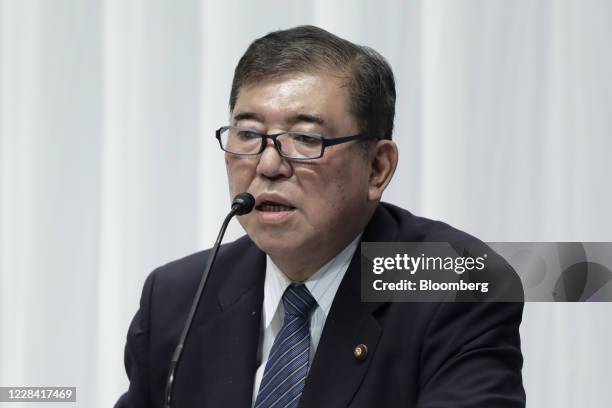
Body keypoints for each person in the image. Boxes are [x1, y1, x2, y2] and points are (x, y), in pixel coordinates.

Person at [115, 25, 525, 408]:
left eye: (306, 138)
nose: (269, 164)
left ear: (377, 168)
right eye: (248, 135)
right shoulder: (176, 299)